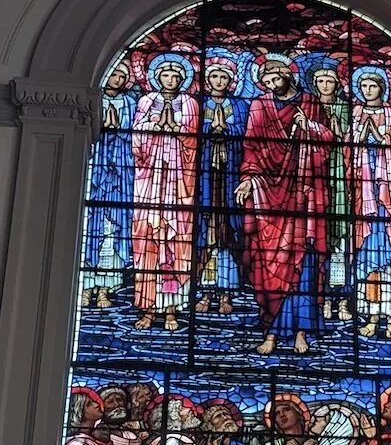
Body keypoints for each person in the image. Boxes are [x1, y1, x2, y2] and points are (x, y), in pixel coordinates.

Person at [236, 55, 331, 355]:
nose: (271, 84)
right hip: (267, 191)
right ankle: (271, 334)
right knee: (269, 265)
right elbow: (251, 146)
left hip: (303, 192)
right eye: (265, 80)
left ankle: (300, 331)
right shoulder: (259, 106)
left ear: (287, 75)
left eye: (275, 78)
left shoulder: (311, 103)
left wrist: (310, 126)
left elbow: (329, 138)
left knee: (302, 262)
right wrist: (248, 178)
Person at [130, 55, 200, 331]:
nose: (170, 80)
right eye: (165, 75)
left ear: (183, 79)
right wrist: (154, 127)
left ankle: (171, 309)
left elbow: (193, 139)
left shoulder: (190, 104)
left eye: (175, 76)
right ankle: (147, 309)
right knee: (147, 243)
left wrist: (178, 130)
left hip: (179, 182)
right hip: (149, 182)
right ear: (156, 77)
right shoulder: (145, 102)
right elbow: (136, 137)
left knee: (175, 246)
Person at [348, 67, 391, 340]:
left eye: (372, 86)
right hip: (366, 197)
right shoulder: (356, 113)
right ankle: (372, 318)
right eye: (363, 87)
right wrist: (361, 138)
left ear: (381, 88)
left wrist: (381, 136)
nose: (368, 91)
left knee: (389, 263)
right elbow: (349, 149)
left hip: (388, 195)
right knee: (367, 263)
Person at [194, 56, 248, 315]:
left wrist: (225, 128)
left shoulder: (239, 105)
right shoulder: (198, 104)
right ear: (207, 79)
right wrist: (208, 127)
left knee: (226, 235)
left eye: (224, 77)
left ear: (231, 81)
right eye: (215, 76)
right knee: (207, 234)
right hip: (204, 176)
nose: (219, 81)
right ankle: (205, 292)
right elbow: (189, 129)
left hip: (230, 175)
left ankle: (226, 293)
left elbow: (247, 133)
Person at [84, 64, 136, 309]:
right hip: (95, 169)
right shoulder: (92, 100)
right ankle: (85, 288)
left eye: (121, 75)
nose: (116, 79)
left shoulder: (129, 103)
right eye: (113, 73)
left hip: (119, 175)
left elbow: (135, 137)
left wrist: (118, 131)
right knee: (88, 233)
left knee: (111, 234)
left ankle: (104, 289)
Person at [307, 61, 354, 322]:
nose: (325, 85)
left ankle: (343, 300)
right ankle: (322, 301)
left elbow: (344, 137)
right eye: (321, 81)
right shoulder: (308, 107)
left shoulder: (345, 108)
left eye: (330, 81)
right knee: (316, 242)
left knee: (341, 242)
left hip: (339, 173)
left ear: (337, 84)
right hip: (315, 174)